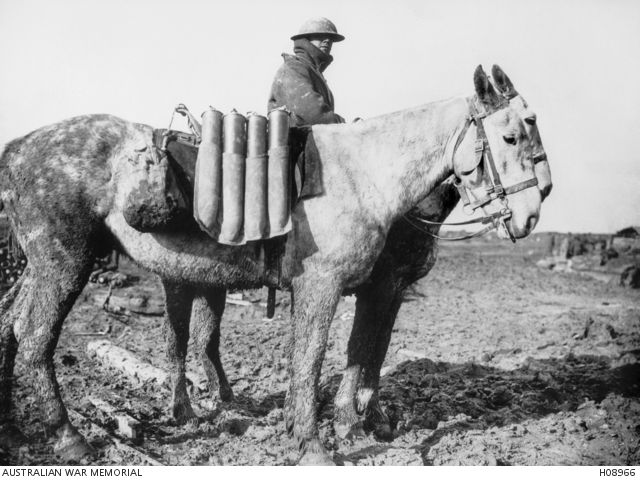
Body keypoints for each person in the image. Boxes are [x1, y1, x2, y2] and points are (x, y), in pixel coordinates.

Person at [268, 17, 345, 126]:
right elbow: (313, 114)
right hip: (294, 141)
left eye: (331, 38)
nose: (327, 40)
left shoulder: (312, 73)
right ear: (306, 39)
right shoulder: (293, 68)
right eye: (319, 36)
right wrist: (344, 124)